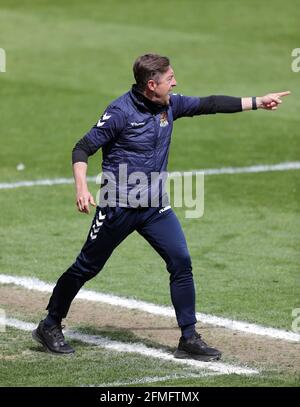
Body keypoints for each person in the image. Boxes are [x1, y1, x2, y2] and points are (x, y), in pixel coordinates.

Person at [32, 54, 290, 361]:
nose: (176, 83)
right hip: (117, 206)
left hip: (154, 207)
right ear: (152, 85)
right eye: (170, 79)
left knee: (181, 261)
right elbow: (82, 148)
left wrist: (258, 101)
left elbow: (209, 104)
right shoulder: (119, 112)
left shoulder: (171, 105)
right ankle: (50, 324)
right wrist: (81, 188)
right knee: (87, 266)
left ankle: (189, 338)